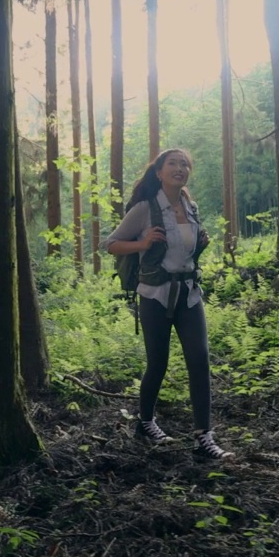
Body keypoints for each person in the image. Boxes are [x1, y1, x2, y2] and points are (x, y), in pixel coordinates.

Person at [101, 148, 232, 460]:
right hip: (155, 295)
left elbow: (184, 251)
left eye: (184, 163)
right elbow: (109, 245)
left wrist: (200, 245)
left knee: (199, 361)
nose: (179, 167)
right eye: (172, 163)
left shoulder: (191, 208)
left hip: (188, 294)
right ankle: (145, 422)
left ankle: (204, 436)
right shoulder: (145, 209)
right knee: (157, 363)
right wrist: (143, 244)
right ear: (159, 172)